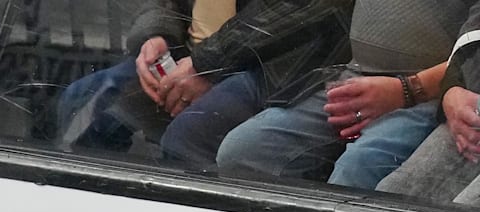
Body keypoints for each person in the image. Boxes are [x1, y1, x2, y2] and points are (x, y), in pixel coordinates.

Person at [56, 0, 352, 170]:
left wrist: (207, 64)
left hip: (271, 62)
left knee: (189, 138)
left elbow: (296, 11)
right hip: (188, 54)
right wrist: (156, 33)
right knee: (83, 100)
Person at [216, 1, 480, 190]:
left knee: (355, 172)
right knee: (243, 151)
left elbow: (472, 51)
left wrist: (407, 89)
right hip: (353, 75)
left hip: (428, 95)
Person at [375, 11, 480, 203]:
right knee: (393, 196)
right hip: (472, 105)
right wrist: (453, 88)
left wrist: (410, 89)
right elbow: (474, 29)